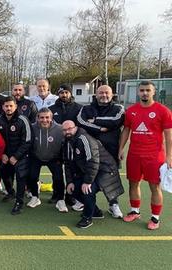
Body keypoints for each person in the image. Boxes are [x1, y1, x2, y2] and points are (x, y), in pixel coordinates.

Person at [119, 81, 172, 230]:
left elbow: (169, 136)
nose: (145, 93)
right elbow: (126, 130)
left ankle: (155, 218)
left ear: (153, 92)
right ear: (138, 92)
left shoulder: (163, 111)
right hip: (134, 154)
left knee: (154, 186)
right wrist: (121, 149)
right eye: (142, 90)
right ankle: (135, 211)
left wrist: (170, 156)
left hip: (154, 156)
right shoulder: (131, 111)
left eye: (148, 90)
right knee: (133, 183)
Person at [63, 120, 124, 228]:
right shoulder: (68, 142)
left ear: (75, 127)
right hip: (91, 171)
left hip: (105, 170)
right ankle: (95, 212)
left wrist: (87, 182)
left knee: (87, 190)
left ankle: (87, 218)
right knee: (73, 190)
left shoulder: (85, 139)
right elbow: (68, 164)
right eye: (64, 130)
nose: (67, 131)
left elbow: (93, 161)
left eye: (70, 129)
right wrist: (70, 182)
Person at [77, 85, 125, 218]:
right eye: (101, 93)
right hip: (90, 151)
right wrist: (100, 129)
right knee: (87, 175)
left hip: (111, 150)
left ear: (112, 94)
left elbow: (116, 121)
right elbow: (81, 122)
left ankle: (113, 204)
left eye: (107, 93)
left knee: (111, 177)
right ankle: (91, 205)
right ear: (96, 94)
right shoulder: (86, 108)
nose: (104, 95)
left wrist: (95, 120)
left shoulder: (118, 108)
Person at [0, 97, 31, 212]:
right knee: (3, 173)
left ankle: (19, 202)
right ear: (3, 107)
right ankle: (11, 192)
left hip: (21, 155)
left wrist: (16, 156)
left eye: (11, 106)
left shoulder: (23, 120)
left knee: (20, 177)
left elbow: (27, 141)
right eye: (6, 106)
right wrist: (3, 155)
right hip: (6, 155)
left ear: (16, 107)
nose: (9, 108)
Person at [29, 108, 67, 212]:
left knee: (58, 178)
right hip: (37, 157)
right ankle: (35, 197)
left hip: (54, 158)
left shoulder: (60, 128)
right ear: (37, 118)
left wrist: (61, 158)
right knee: (32, 176)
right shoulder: (32, 127)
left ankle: (60, 200)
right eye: (42, 117)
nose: (44, 120)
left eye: (47, 117)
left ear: (51, 118)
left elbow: (65, 144)